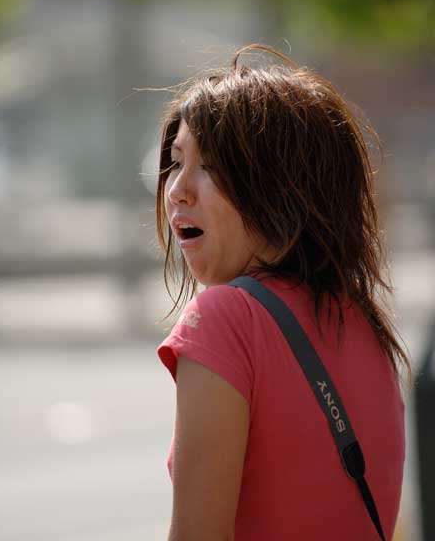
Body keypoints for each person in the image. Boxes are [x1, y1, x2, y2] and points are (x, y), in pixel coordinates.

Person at [155, 43, 409, 541]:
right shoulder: (365, 322)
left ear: (279, 186)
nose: (177, 189)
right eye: (176, 161)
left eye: (209, 166)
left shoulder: (225, 319)